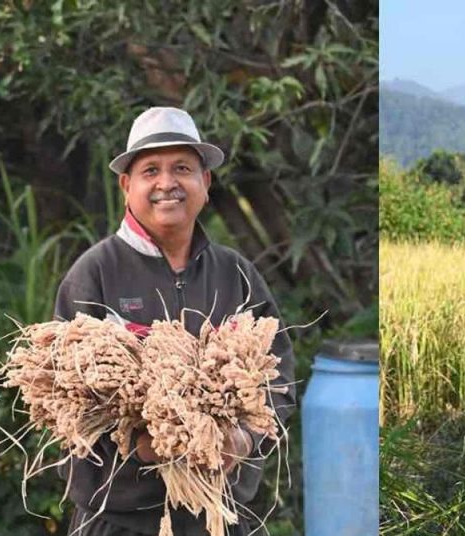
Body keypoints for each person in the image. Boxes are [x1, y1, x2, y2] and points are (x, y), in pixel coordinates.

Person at [54, 107, 296, 535]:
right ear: (127, 186)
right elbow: (64, 401)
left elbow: (279, 377)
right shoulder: (94, 274)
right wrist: (141, 445)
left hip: (217, 516)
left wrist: (241, 439)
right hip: (121, 520)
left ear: (205, 182)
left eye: (182, 168)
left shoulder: (235, 274)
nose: (167, 183)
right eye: (151, 170)